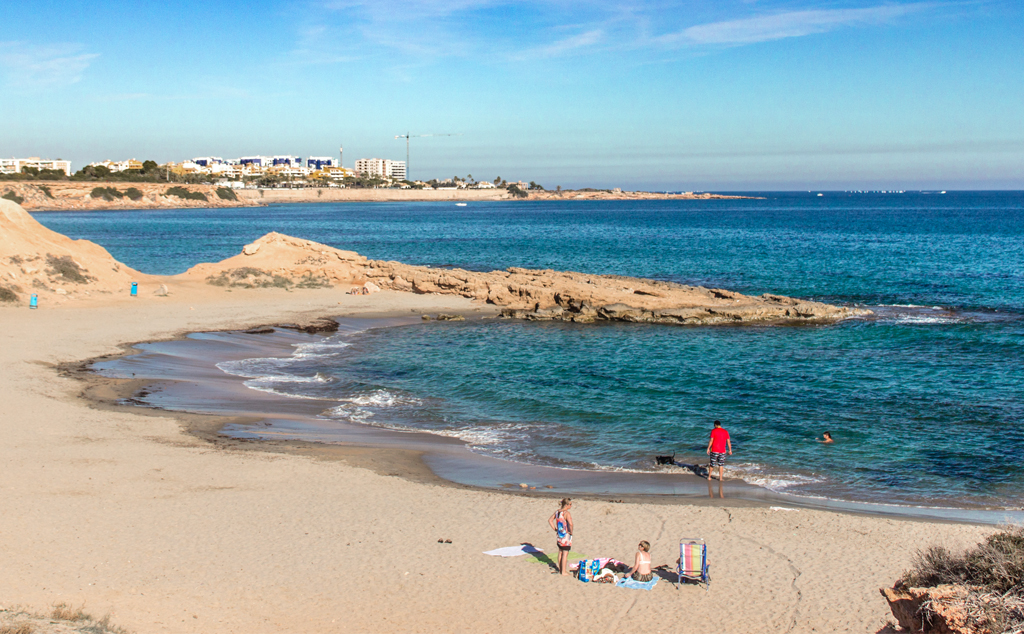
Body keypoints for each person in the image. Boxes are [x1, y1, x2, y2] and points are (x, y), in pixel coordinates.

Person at [548, 498, 574, 576]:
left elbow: (550, 520)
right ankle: (563, 571)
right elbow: (570, 524)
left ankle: (560, 569)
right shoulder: (567, 513)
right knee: (565, 554)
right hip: (565, 536)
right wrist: (571, 532)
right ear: (566, 505)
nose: (571, 506)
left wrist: (555, 529)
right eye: (570, 504)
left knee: (560, 552)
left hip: (559, 535)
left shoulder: (557, 512)